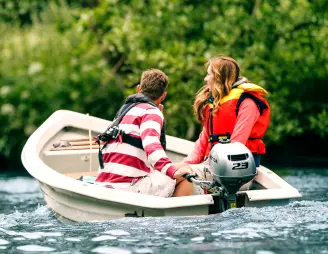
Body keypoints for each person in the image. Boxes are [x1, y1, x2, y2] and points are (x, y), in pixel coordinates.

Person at [95, 69, 193, 197]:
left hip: (103, 183)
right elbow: (152, 147)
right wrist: (173, 171)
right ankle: (173, 216)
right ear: (163, 96)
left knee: (167, 170)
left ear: (138, 88)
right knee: (187, 174)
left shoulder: (124, 112)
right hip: (128, 187)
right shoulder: (151, 113)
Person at [182, 56, 271, 167]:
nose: (205, 79)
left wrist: (204, 165)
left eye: (209, 74)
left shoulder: (247, 103)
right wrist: (181, 165)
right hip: (213, 164)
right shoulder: (215, 103)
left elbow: (235, 147)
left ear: (219, 77)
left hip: (236, 167)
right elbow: (200, 146)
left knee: (180, 177)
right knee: (173, 174)